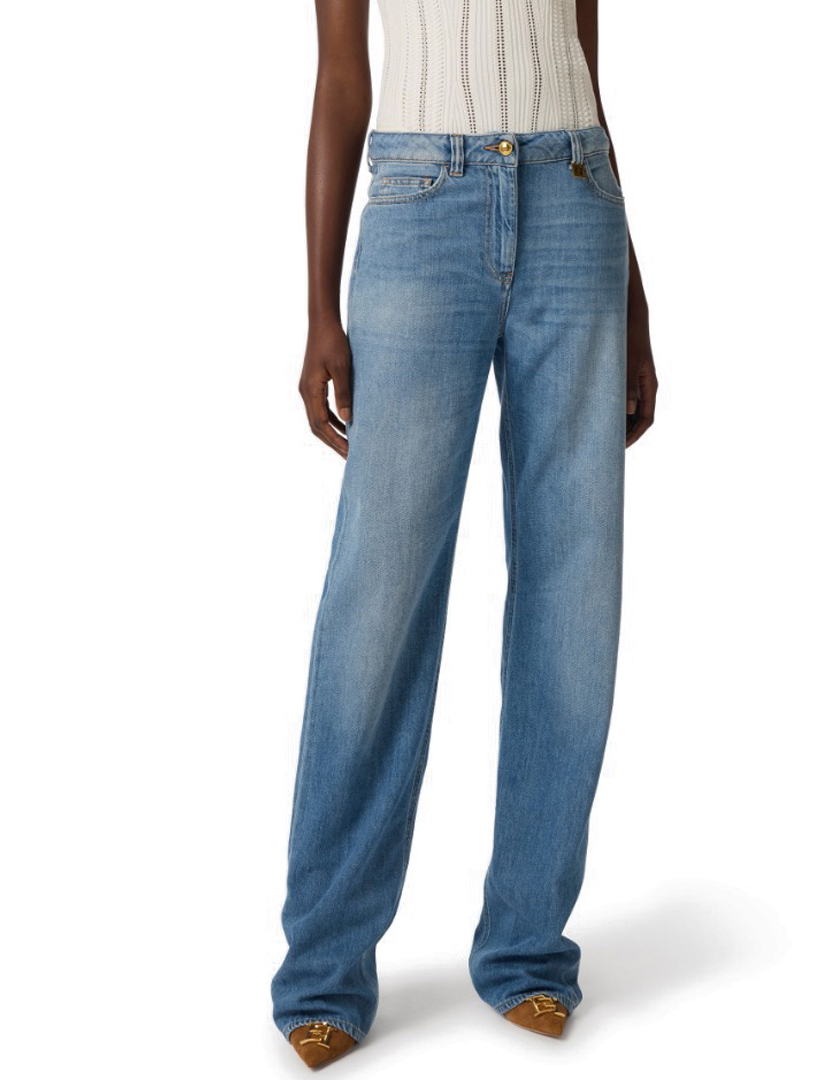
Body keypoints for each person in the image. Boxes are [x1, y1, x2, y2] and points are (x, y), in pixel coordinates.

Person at [270, 0, 657, 1067]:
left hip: (576, 203)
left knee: (575, 594)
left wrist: (634, 293)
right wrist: (318, 308)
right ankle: (323, 968)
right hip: (419, 203)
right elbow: (341, 77)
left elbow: (582, 65)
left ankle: (528, 948)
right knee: (378, 599)